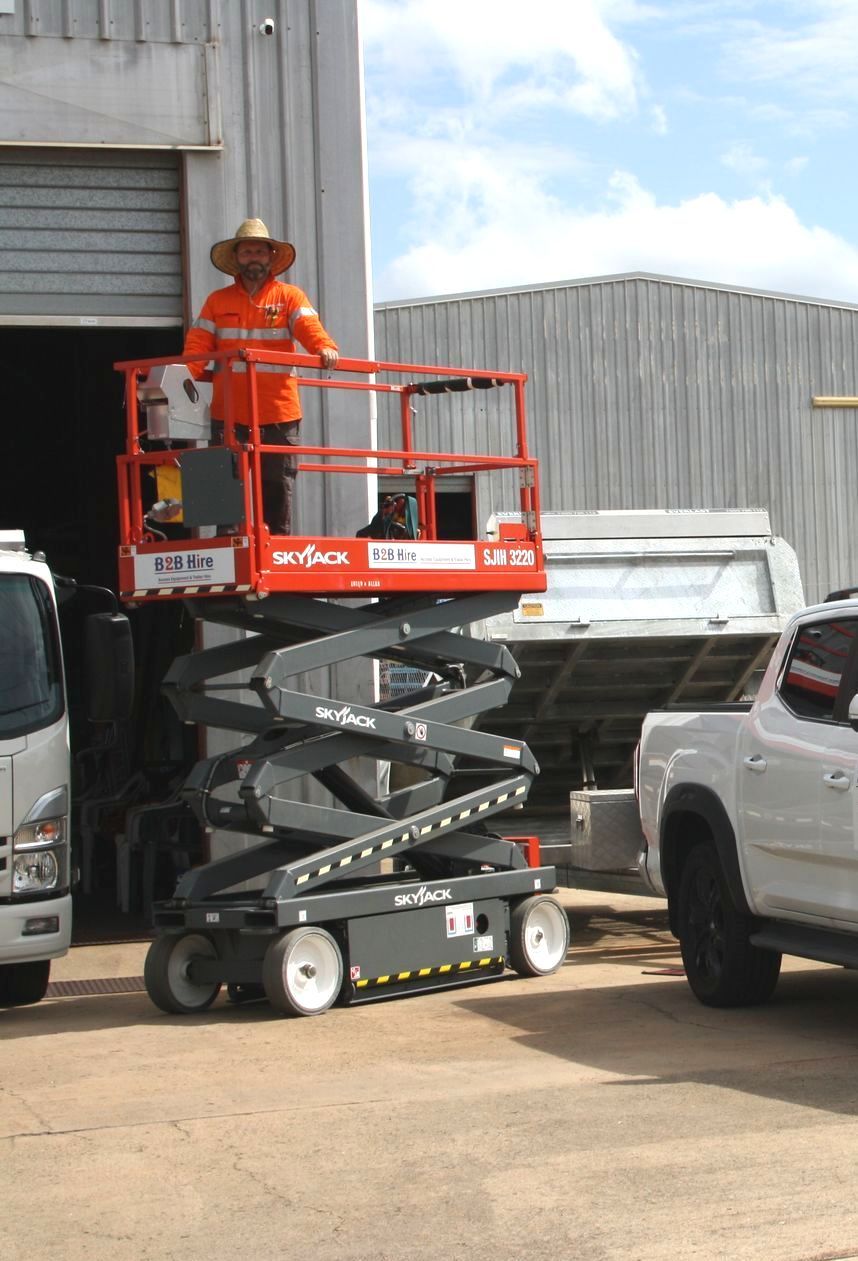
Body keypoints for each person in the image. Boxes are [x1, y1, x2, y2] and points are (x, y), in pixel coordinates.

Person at [183, 218, 339, 535]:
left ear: (269, 256)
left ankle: (277, 546)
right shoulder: (217, 301)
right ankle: (227, 545)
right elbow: (197, 345)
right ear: (237, 260)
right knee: (222, 481)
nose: (253, 257)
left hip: (278, 410)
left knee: (277, 482)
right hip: (228, 411)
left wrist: (323, 348)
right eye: (246, 252)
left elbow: (310, 329)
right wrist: (182, 378)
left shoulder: (290, 297)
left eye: (258, 251)